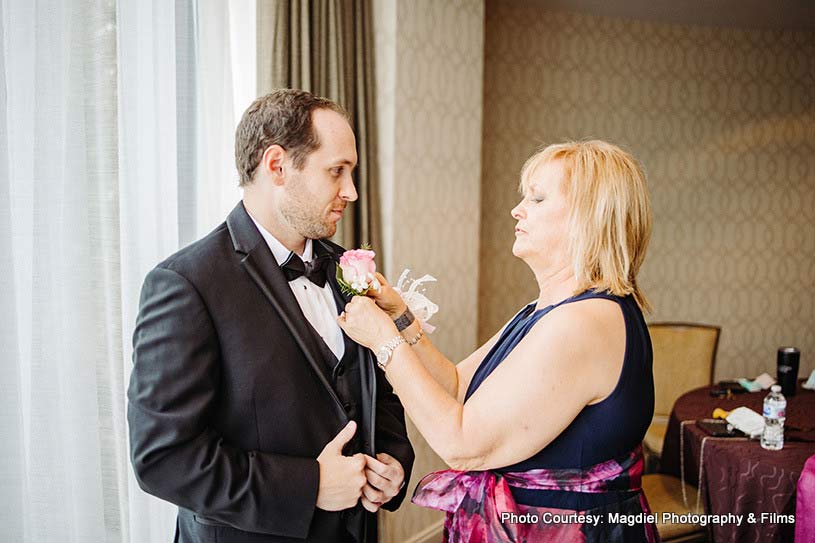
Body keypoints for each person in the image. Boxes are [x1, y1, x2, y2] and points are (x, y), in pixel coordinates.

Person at [128, 89, 414, 543]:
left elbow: (377, 388)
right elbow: (163, 459)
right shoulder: (186, 284)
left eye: (352, 172)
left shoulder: (347, 269)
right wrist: (310, 486)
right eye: (337, 171)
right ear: (277, 165)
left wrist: (392, 459)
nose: (352, 192)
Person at [338, 140, 658, 542]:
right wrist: (400, 318)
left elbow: (462, 444)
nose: (517, 209)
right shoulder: (545, 310)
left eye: (538, 198)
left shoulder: (584, 322)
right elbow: (457, 386)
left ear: (588, 219)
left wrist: (384, 341)